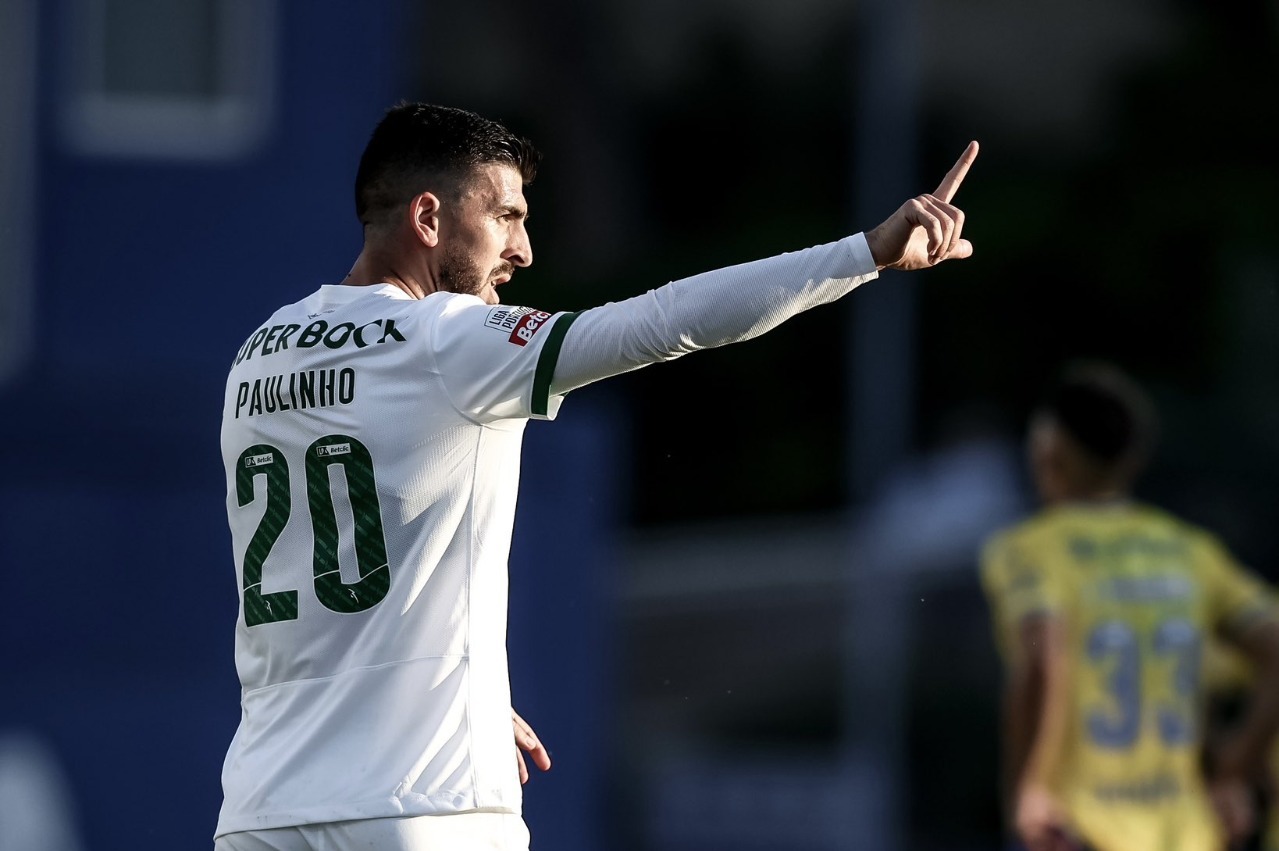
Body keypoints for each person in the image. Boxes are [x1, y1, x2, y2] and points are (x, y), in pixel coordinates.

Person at [214, 100, 978, 851]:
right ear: (427, 218)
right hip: (422, 800)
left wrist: (457, 691)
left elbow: (322, 576)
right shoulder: (447, 339)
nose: (523, 250)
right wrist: (863, 254)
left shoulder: (258, 355)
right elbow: (662, 321)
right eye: (505, 216)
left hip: (264, 806)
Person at [980, 362, 1279, 851]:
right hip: (1184, 833)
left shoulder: (1032, 549)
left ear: (1048, 451)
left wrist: (1028, 786)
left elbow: (1041, 655)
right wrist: (1235, 767)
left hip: (1078, 827)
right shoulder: (1190, 551)